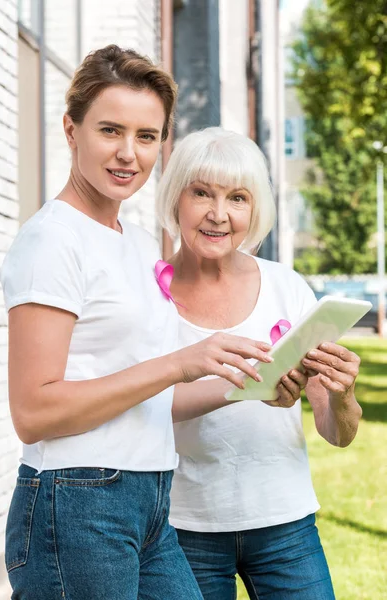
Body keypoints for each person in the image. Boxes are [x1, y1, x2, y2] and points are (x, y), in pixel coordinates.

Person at [0, 48, 273, 600]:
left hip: (147, 501)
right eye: (110, 130)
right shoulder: (53, 242)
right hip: (75, 503)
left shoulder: (138, 244)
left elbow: (148, 399)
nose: (129, 154)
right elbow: (33, 412)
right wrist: (176, 363)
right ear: (71, 130)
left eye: (147, 136)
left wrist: (250, 384)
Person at [156, 127, 362, 600]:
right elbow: (138, 402)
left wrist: (343, 394)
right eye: (201, 192)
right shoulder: (150, 295)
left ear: (255, 209)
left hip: (285, 525)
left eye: (238, 198)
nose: (218, 214)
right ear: (176, 198)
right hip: (184, 528)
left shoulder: (286, 287)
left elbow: (338, 432)